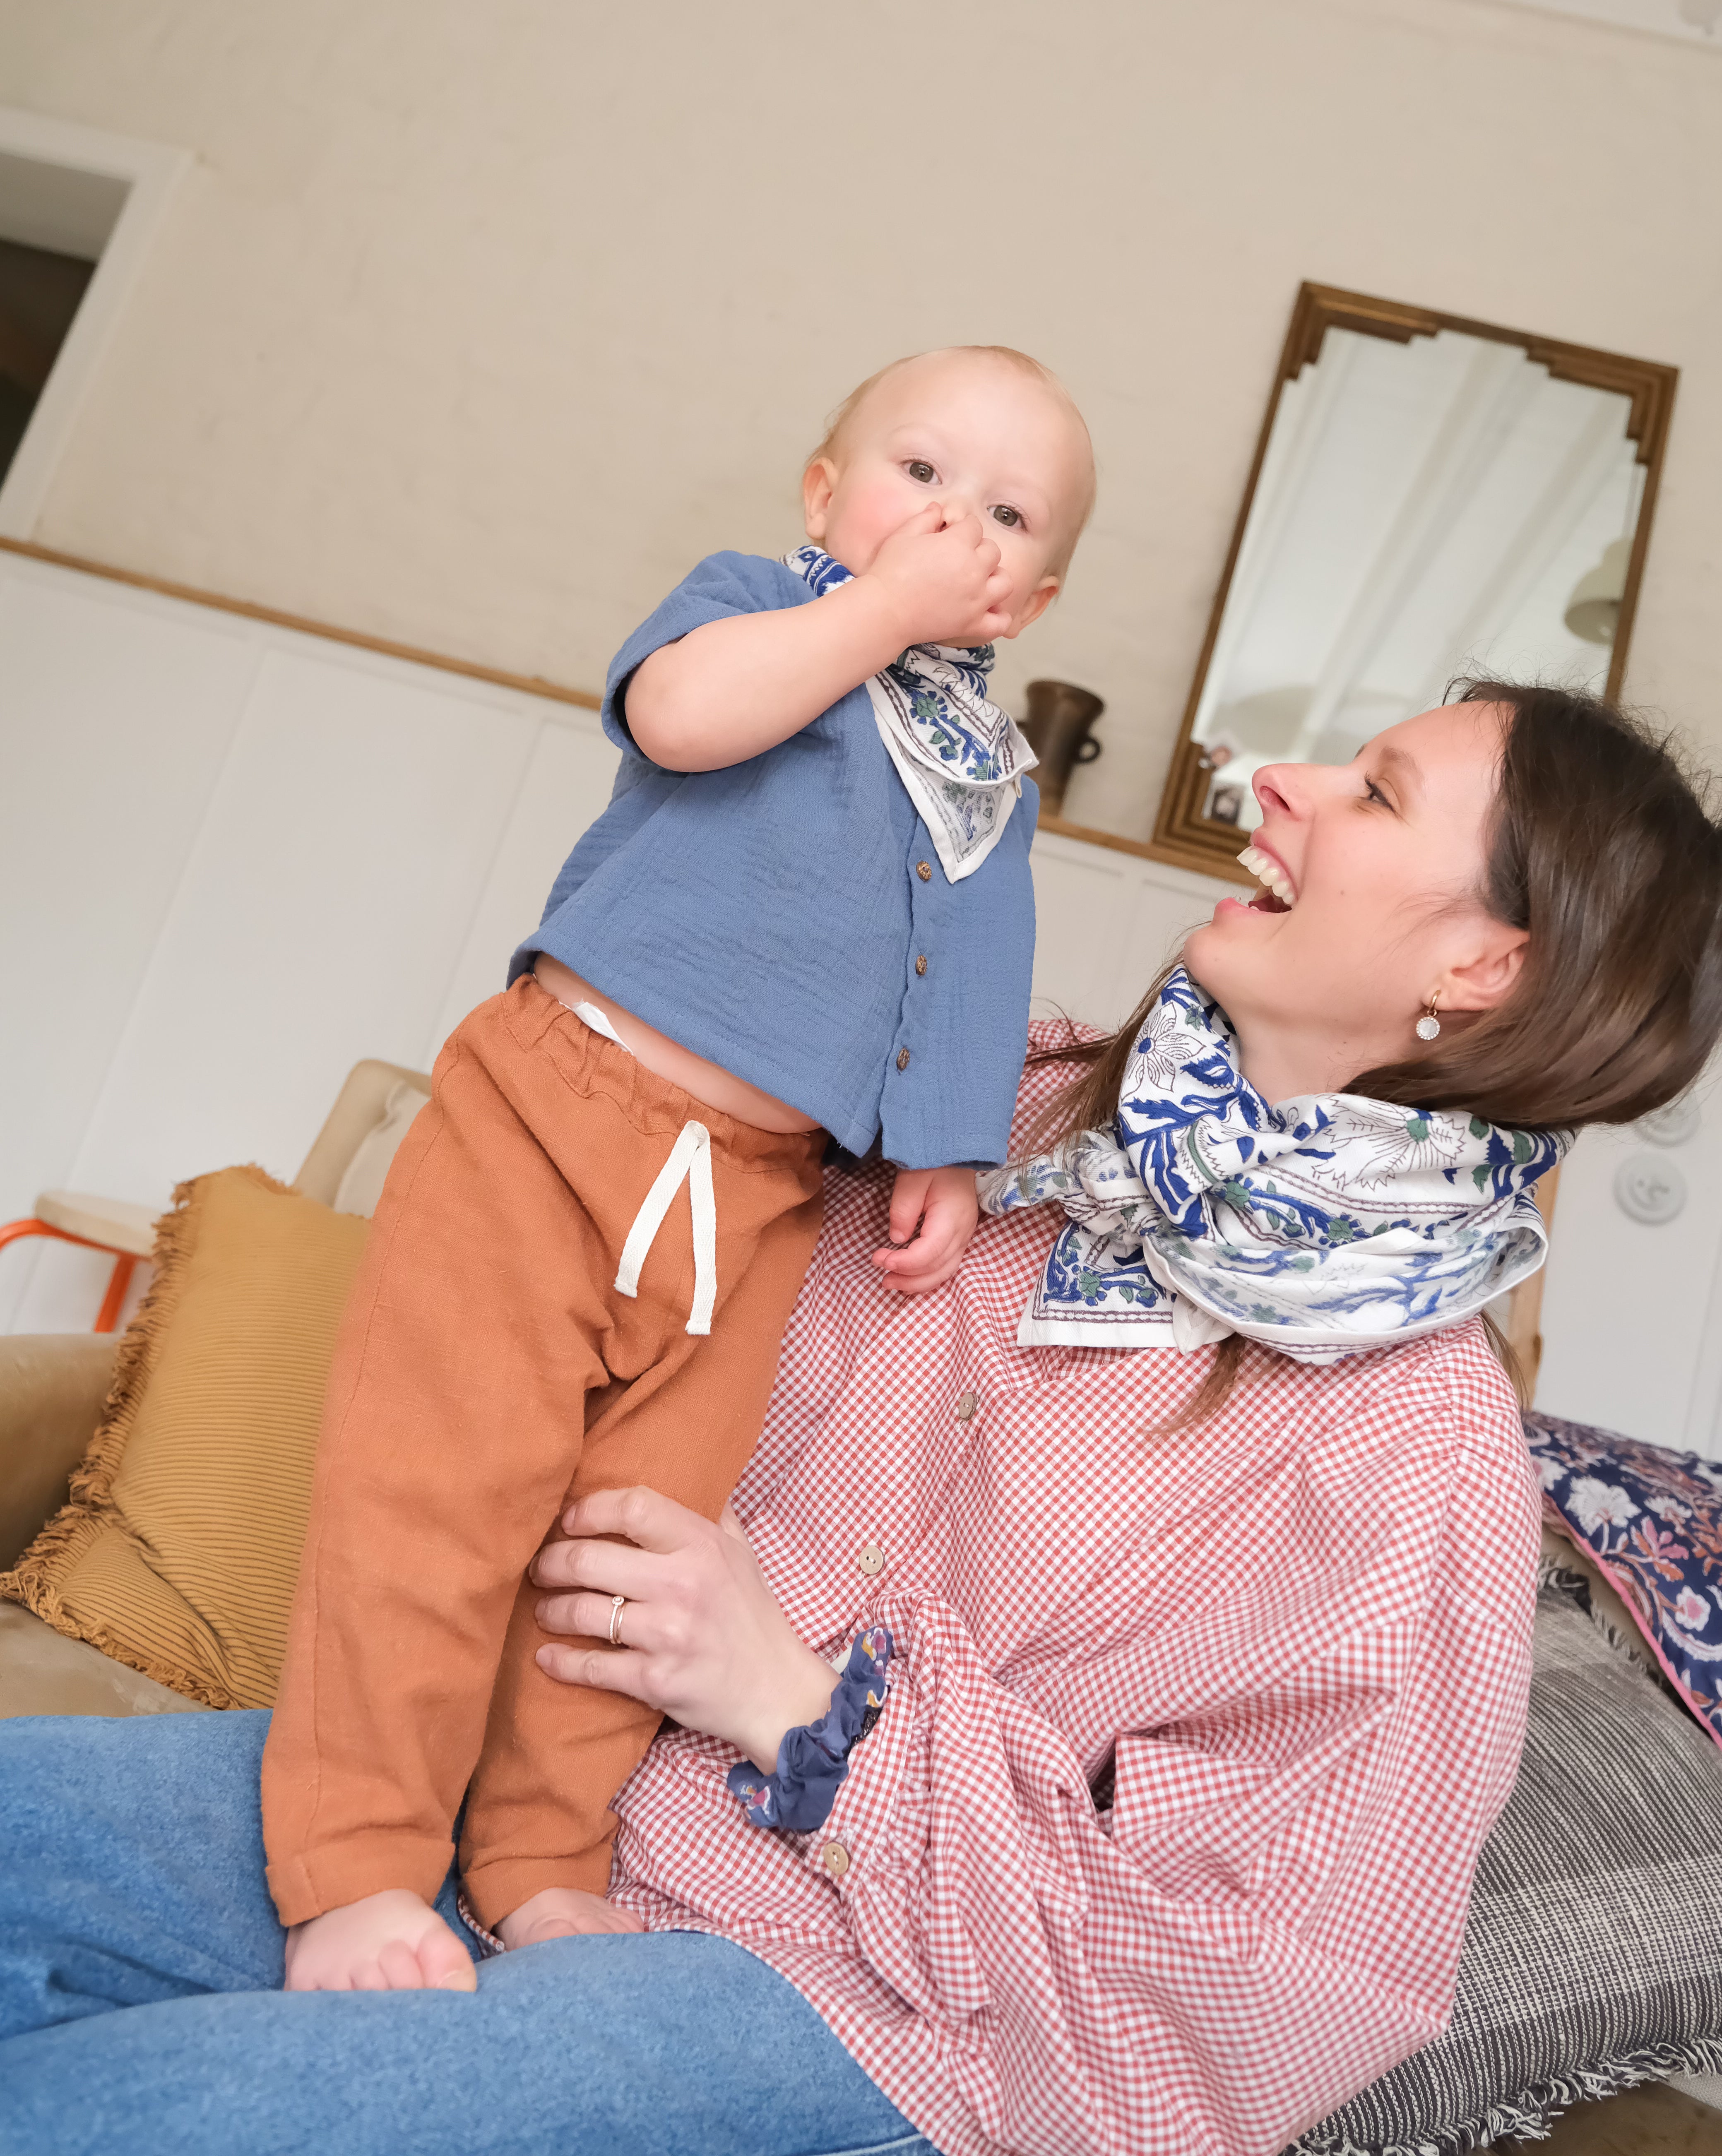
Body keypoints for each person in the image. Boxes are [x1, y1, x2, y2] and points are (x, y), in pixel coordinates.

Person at [3, 682, 1718, 2156]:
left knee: (105, 2123)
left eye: (1373, 793)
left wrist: (805, 1708)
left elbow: (1240, 2021)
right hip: (532, 1786)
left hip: (841, 1998)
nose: (1280, 784)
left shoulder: (1420, 1468)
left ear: (1485, 963)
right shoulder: (996, 1104)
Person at [262, 346, 1099, 1988]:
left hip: (761, 1191)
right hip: (557, 1112)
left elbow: (969, 958)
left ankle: (538, 1859)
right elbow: (684, 719)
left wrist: (938, 1148)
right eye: (918, 475)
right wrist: (870, 611)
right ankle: (360, 1865)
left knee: (637, 1541)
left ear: (1026, 601)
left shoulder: (981, 770)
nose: (949, 523)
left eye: (999, 515)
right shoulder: (756, 608)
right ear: (818, 497)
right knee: (434, 1496)